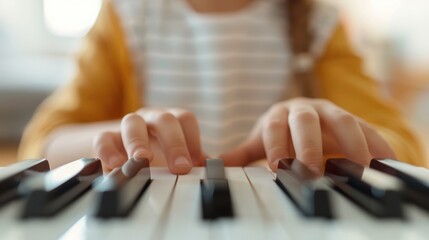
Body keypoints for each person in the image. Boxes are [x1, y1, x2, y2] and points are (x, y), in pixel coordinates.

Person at [18, 0, 425, 175]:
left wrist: (335, 135)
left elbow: (406, 151)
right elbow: (40, 146)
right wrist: (114, 140)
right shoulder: (126, 15)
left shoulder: (317, 22)